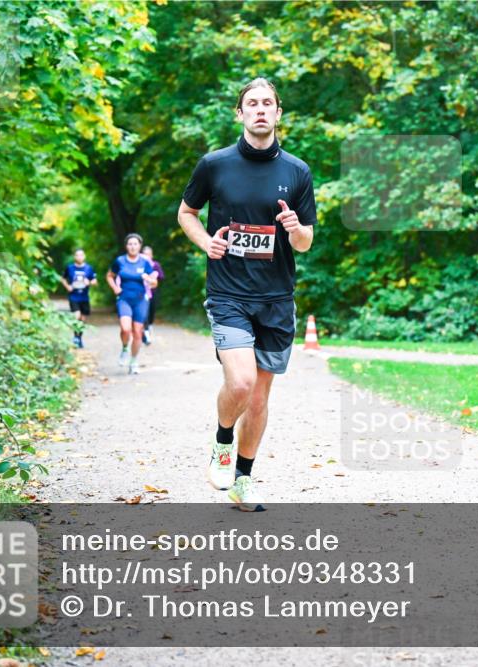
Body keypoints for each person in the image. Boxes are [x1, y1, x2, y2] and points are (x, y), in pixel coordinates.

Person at [176, 77, 316, 511]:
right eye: (251, 103)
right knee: (240, 381)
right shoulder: (214, 165)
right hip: (228, 293)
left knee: (258, 396)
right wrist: (206, 243)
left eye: (267, 103)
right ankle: (222, 439)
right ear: (240, 113)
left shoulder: (297, 171)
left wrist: (295, 230)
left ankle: (242, 480)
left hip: (276, 299)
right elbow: (187, 213)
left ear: (278, 114)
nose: (259, 109)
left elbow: (307, 241)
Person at [105, 233, 157, 375]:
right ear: (126, 246)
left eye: (135, 244)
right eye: (130, 244)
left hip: (140, 300)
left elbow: (154, 282)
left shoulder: (145, 262)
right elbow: (109, 275)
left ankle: (133, 361)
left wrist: (149, 280)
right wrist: (115, 288)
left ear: (139, 246)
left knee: (138, 332)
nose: (133, 246)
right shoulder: (120, 261)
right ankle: (124, 348)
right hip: (124, 299)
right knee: (125, 329)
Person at [61, 248, 97, 348]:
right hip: (74, 296)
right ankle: (75, 338)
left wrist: (89, 282)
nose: (79, 257)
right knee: (76, 316)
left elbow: (95, 281)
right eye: (77, 255)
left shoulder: (89, 268)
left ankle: (79, 337)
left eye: (81, 255)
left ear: (84, 256)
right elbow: (63, 278)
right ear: (74, 257)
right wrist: (68, 286)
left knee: (83, 319)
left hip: (84, 297)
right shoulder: (70, 268)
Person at [141, 246, 165, 346]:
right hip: (141, 293)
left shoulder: (155, 265)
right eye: (145, 254)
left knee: (151, 312)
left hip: (153, 292)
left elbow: (162, 276)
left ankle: (149, 327)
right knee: (144, 313)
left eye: (148, 254)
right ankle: (145, 333)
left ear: (152, 255)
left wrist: (154, 276)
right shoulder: (139, 264)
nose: (147, 256)